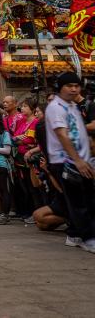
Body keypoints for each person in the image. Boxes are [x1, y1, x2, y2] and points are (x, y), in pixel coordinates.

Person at [45, 72, 95, 253]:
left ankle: (74, 235)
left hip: (80, 159)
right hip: (67, 161)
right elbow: (62, 135)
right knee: (79, 202)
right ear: (60, 87)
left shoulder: (72, 106)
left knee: (88, 198)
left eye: (77, 85)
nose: (74, 89)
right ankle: (88, 238)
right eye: (69, 85)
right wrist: (77, 160)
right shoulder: (55, 107)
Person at [11, 98, 39, 222]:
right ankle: (29, 211)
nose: (22, 109)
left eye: (25, 106)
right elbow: (14, 138)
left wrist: (18, 139)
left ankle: (36, 212)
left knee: (34, 186)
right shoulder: (22, 122)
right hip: (20, 157)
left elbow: (29, 139)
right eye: (22, 106)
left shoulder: (35, 122)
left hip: (31, 157)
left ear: (32, 109)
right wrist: (17, 138)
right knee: (25, 186)